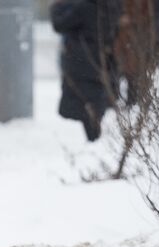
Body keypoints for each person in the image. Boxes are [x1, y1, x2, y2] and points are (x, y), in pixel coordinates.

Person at [50, 0, 121, 141]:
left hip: (82, 61)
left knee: (83, 103)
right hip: (102, 61)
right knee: (93, 101)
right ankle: (94, 133)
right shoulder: (111, 6)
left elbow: (59, 24)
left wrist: (56, 6)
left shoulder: (84, 7)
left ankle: (93, 136)